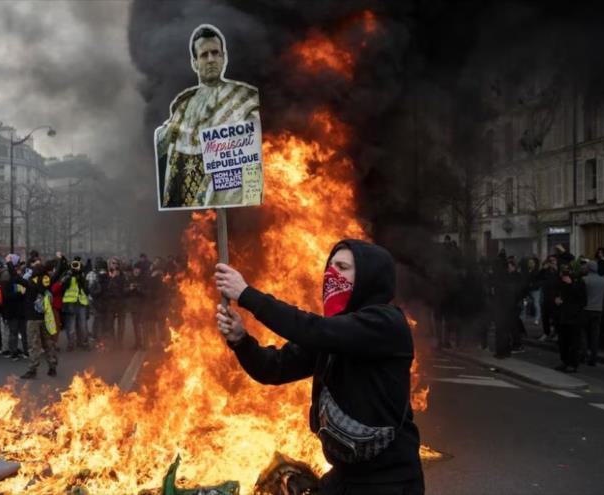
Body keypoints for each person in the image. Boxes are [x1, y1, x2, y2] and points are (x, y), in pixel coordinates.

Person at [215, 240, 423, 494]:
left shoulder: (386, 323)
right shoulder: (332, 333)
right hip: (344, 477)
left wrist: (246, 294)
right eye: (330, 266)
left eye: (342, 266)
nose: (331, 273)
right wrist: (241, 341)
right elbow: (273, 368)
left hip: (388, 482)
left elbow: (313, 330)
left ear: (370, 276)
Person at [155, 24, 260, 208]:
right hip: (189, 205)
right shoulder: (182, 105)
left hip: (231, 197)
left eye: (215, 53)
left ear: (223, 57)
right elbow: (162, 146)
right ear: (194, 63)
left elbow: (254, 151)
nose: (211, 59)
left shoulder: (246, 98)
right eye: (204, 55)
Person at [18, 255, 59, 379]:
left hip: (32, 318)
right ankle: (52, 367)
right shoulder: (48, 280)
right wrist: (59, 259)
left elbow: (15, 279)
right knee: (48, 342)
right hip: (44, 316)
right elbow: (57, 273)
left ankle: (33, 369)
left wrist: (9, 264)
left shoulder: (30, 282)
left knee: (34, 344)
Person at [551, 264, 587, 373]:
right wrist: (556, 300)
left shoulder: (579, 283)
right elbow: (555, 295)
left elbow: (582, 300)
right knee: (563, 342)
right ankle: (565, 361)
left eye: (566, 272)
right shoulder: (560, 284)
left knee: (574, 342)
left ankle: (573, 363)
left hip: (574, 318)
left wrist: (571, 285)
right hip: (562, 317)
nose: (564, 276)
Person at [581, 261, 604, 366]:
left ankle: (583, 354)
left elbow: (579, 295)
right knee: (595, 335)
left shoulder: (584, 280)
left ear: (588, 268)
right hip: (598, 310)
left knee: (583, 332)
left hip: (585, 309)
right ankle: (594, 357)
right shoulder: (603, 280)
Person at [61, 258, 90, 351]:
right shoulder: (67, 274)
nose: (75, 267)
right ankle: (71, 344)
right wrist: (69, 275)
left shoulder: (81, 275)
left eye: (77, 265)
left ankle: (84, 343)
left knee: (83, 325)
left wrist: (80, 276)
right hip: (70, 302)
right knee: (71, 326)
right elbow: (63, 286)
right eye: (74, 265)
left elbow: (86, 289)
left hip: (81, 302)